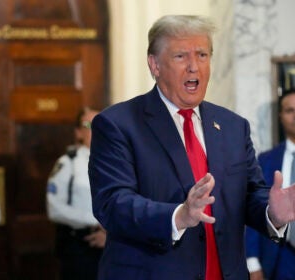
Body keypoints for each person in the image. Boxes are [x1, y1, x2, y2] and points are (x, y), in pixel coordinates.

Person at [88, 15, 295, 280]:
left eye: (202, 55)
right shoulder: (118, 124)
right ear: (154, 64)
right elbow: (112, 204)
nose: (194, 67)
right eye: (180, 57)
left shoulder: (233, 126)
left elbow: (249, 193)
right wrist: (178, 216)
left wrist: (271, 213)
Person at [46, 108, 105, 280]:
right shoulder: (68, 164)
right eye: (88, 125)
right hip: (80, 245)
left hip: (113, 243)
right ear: (79, 132)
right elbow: (55, 209)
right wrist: (96, 220)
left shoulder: (120, 161)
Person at [246, 89, 295, 280]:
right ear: (281, 116)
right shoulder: (265, 160)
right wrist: (252, 262)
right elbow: (254, 209)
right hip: (278, 256)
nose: (294, 116)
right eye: (289, 110)